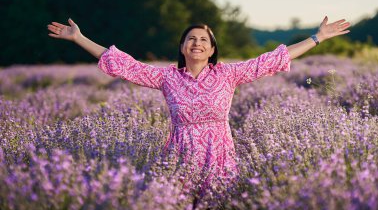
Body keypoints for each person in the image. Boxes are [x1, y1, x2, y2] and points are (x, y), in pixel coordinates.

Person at [47, 17, 350, 195]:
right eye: (191, 39)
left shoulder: (228, 74)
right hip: (180, 153)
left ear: (212, 48)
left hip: (220, 153)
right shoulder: (167, 77)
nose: (197, 43)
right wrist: (80, 38)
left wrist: (317, 37)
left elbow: (271, 59)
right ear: (182, 47)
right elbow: (123, 64)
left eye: (203, 40)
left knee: (219, 206)